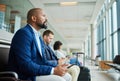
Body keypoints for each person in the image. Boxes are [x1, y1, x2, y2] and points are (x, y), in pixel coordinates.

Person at [7, 8, 71, 81]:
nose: (46, 18)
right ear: (34, 18)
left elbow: (42, 61)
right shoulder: (23, 33)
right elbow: (25, 65)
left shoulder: (38, 36)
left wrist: (57, 66)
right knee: (60, 80)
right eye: (43, 16)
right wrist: (53, 70)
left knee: (67, 76)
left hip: (35, 72)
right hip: (25, 76)